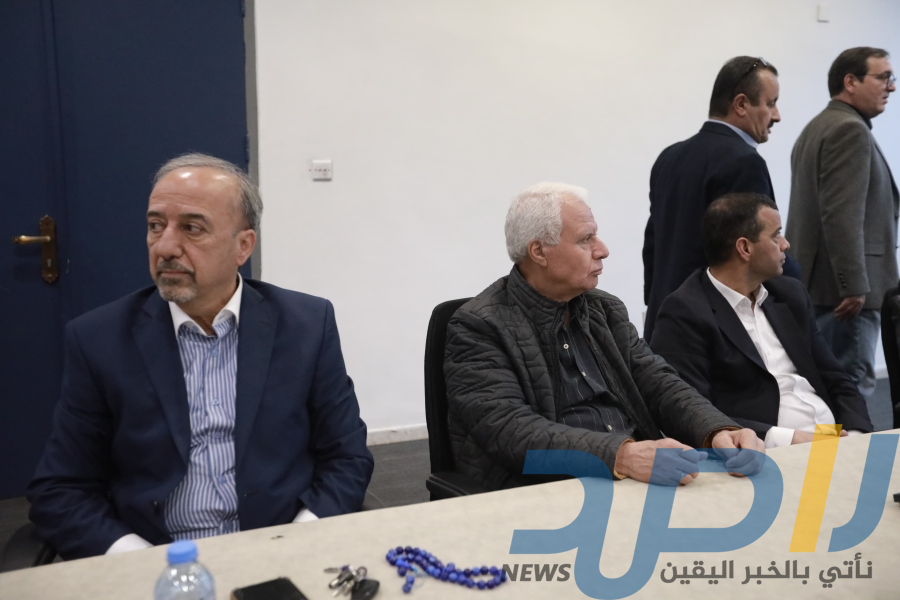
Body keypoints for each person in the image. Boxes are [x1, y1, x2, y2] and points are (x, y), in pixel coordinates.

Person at [28, 154, 374, 560]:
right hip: (156, 556)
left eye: (192, 228)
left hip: (278, 547)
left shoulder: (306, 325)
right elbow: (61, 489)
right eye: (155, 226)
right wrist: (139, 560)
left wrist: (299, 541)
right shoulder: (98, 339)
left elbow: (346, 457)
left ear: (243, 246)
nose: (165, 246)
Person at [444, 182, 764, 492]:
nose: (603, 250)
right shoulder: (478, 326)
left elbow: (659, 383)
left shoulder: (604, 309)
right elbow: (509, 431)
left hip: (632, 480)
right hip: (547, 489)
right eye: (586, 239)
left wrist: (717, 430)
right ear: (539, 251)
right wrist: (622, 457)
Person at [651, 193, 873, 447]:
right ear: (745, 248)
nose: (785, 244)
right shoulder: (685, 312)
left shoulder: (789, 294)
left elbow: (836, 378)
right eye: (776, 235)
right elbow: (688, 411)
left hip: (833, 439)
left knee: (887, 467)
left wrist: (856, 434)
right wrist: (789, 439)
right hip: (764, 451)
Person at [642, 56, 800, 343]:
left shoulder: (669, 157)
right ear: (741, 104)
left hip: (665, 319)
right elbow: (758, 252)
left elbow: (653, 244)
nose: (776, 115)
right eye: (770, 103)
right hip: (715, 331)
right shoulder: (744, 162)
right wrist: (797, 290)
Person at [785, 47, 898, 428]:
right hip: (846, 296)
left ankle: (825, 464)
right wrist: (853, 286)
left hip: (821, 287)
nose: (891, 87)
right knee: (850, 392)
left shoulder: (817, 127)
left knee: (828, 392)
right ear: (850, 82)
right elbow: (842, 215)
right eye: (883, 77)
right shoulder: (849, 130)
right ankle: (844, 467)